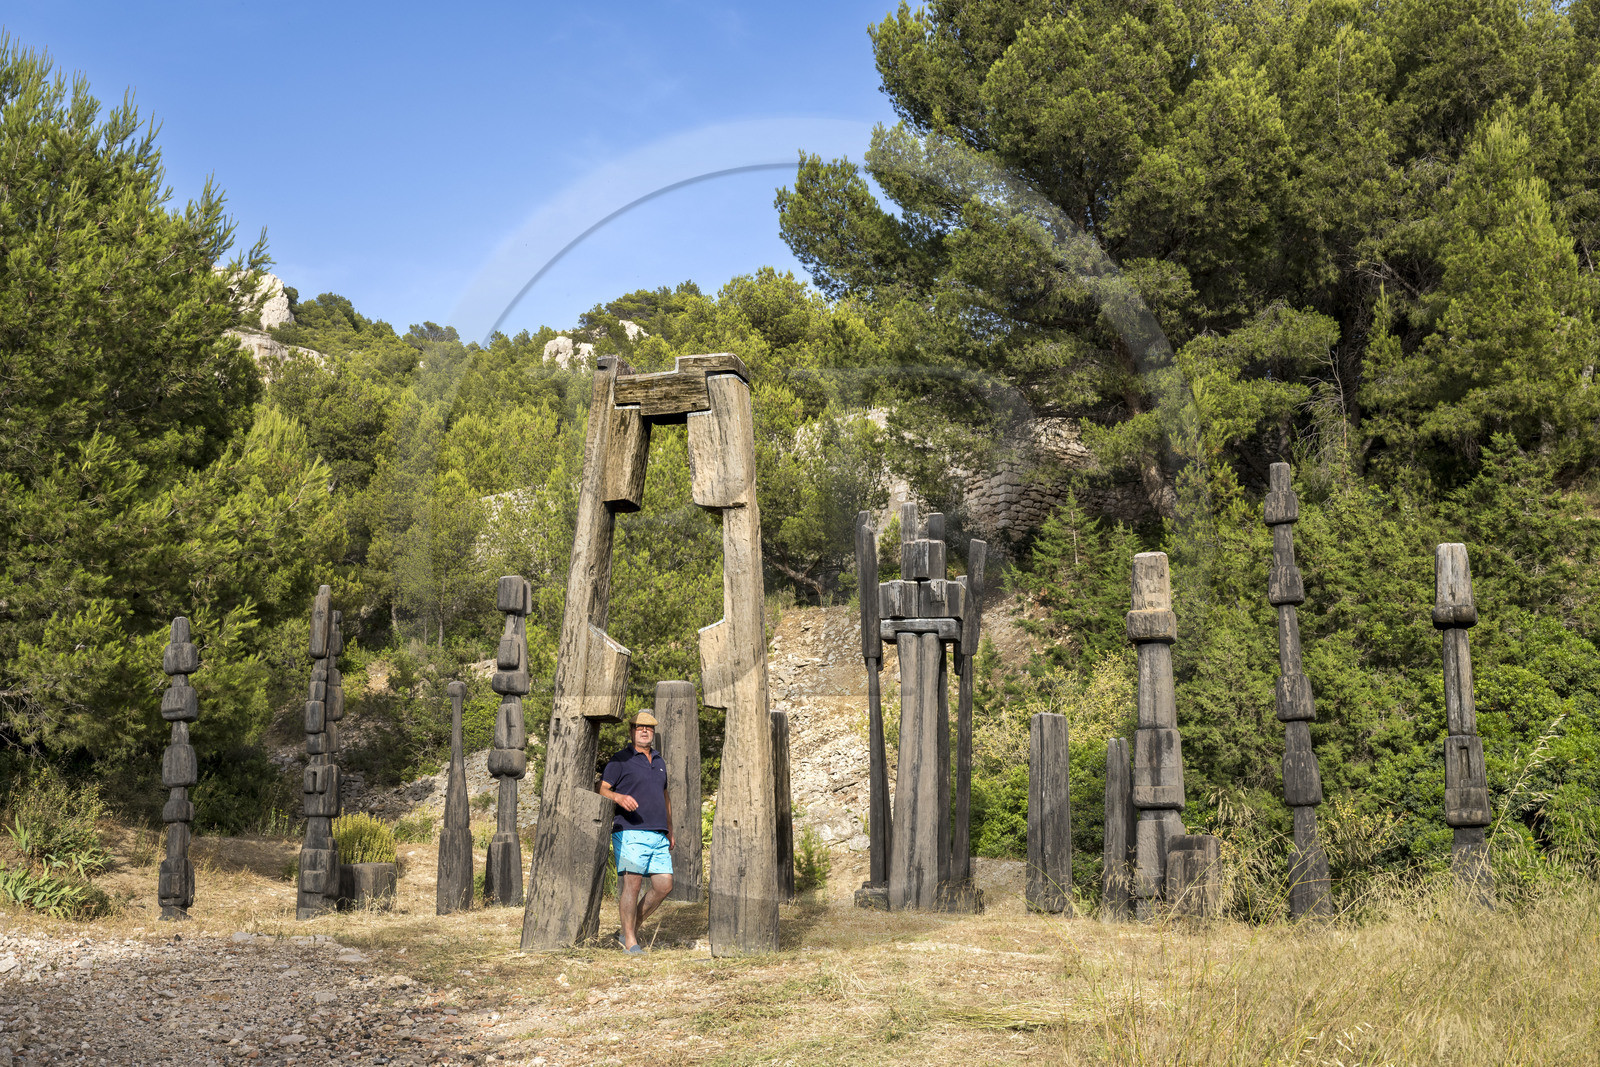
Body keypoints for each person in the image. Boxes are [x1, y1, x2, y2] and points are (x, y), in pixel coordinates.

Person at [597, 711, 674, 952]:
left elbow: (665, 795)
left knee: (664, 885)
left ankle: (628, 929)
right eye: (639, 727)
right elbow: (601, 788)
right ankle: (630, 941)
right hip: (630, 831)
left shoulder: (660, 762)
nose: (644, 731)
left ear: (653, 733)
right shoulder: (620, 760)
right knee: (632, 885)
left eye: (649, 728)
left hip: (658, 833)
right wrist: (618, 797)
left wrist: (670, 828)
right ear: (631, 731)